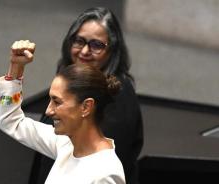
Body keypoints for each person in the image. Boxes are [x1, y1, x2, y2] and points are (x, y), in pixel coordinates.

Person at [29, 7, 144, 184]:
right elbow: (10, 122)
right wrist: (15, 70)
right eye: (79, 41)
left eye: (96, 45)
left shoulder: (117, 96)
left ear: (112, 50)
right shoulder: (72, 77)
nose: (84, 51)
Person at [0, 40, 125, 184]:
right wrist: (16, 67)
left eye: (57, 102)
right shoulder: (66, 144)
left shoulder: (105, 174)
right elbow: (10, 121)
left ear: (86, 107)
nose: (48, 110)